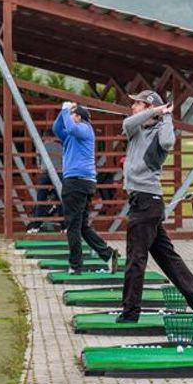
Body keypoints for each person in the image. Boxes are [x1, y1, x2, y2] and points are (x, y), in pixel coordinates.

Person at [118, 91, 193, 324]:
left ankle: (130, 312)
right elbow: (127, 123)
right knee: (167, 258)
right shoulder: (135, 130)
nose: (133, 107)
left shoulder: (160, 131)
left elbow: (168, 142)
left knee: (135, 258)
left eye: (137, 103)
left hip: (147, 202)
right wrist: (153, 111)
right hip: (142, 202)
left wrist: (166, 115)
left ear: (149, 106)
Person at [52, 101, 119, 275]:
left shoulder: (84, 128)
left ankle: (75, 265)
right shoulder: (71, 135)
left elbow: (70, 127)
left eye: (72, 114)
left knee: (72, 226)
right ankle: (107, 253)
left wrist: (66, 110)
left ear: (78, 117)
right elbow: (56, 128)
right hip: (82, 182)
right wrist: (63, 111)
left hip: (77, 182)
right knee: (82, 226)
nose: (69, 117)